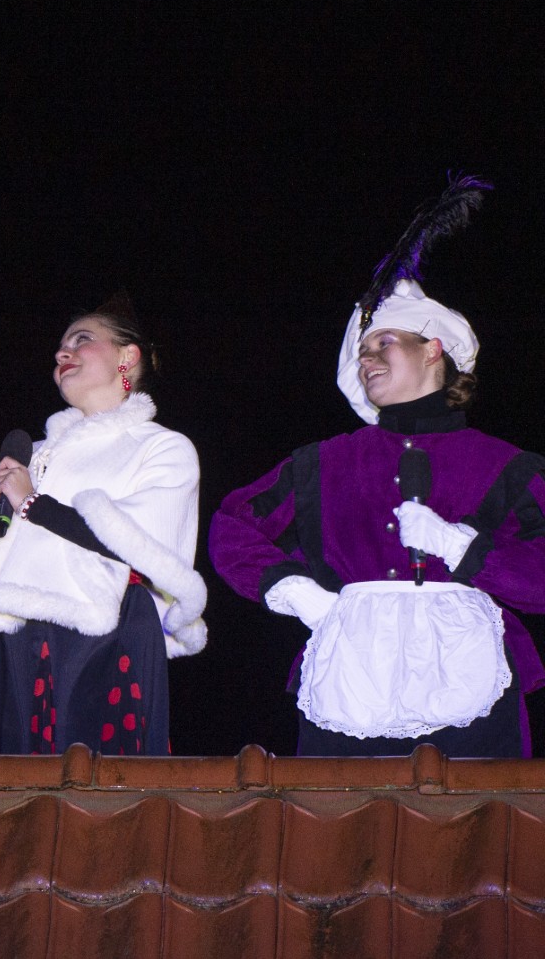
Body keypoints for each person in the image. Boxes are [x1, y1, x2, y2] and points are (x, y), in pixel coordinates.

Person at [211, 176, 545, 756]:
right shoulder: (323, 463)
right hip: (350, 683)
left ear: (433, 348)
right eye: (362, 351)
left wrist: (462, 548)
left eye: (383, 343)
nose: (367, 359)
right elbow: (231, 525)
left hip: (472, 681)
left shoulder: (507, 465)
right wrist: (293, 590)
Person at [0, 297, 206, 755]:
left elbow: (147, 548)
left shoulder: (162, 447)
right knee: (1, 790)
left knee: (95, 786)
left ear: (127, 357)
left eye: (82, 341)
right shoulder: (35, 455)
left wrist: (33, 504)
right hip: (15, 642)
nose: (63, 353)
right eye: (62, 346)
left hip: (105, 635)